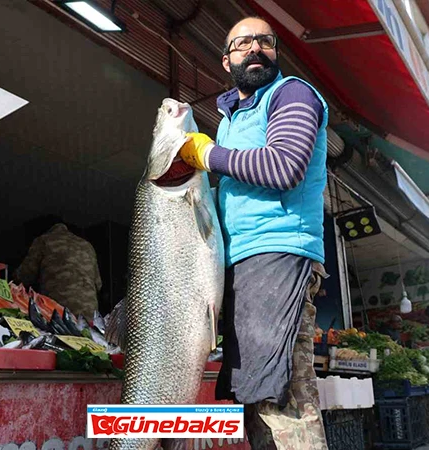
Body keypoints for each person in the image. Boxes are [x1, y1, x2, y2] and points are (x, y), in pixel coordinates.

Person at [177, 16, 330, 449]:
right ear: (227, 60)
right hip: (240, 265)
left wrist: (208, 155)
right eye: (243, 43)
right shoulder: (230, 121)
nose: (256, 49)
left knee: (282, 397)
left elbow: (283, 167)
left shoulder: (291, 93)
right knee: (257, 401)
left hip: (279, 255)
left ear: (276, 53)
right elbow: (234, 182)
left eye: (265, 41)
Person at [14, 216, 102, 319]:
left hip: (59, 312)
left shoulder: (44, 240)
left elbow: (25, 275)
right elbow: (98, 284)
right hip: (90, 313)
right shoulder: (87, 246)